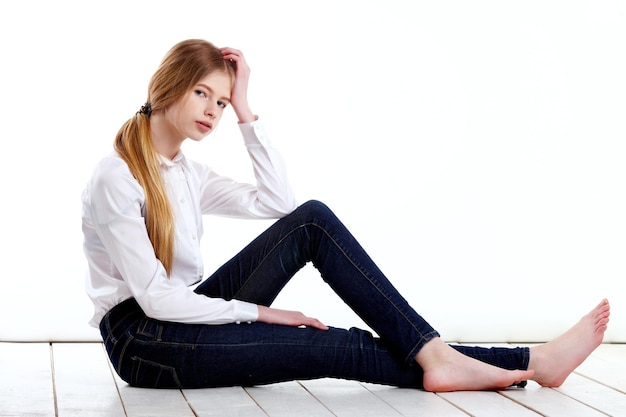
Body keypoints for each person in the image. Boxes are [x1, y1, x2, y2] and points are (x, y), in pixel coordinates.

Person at [82, 39, 610, 392]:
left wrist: (247, 109)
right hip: (143, 342)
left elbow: (280, 205)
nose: (211, 111)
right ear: (168, 87)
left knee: (312, 219)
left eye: (220, 102)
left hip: (184, 316)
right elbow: (154, 298)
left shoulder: (186, 173)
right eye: (203, 93)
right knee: (330, 343)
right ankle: (520, 363)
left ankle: (469, 357)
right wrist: (265, 313)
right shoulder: (118, 175)